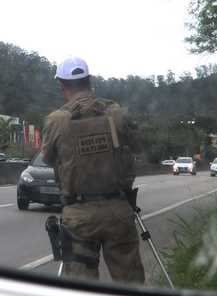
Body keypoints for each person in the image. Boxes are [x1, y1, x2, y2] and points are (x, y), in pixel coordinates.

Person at [41, 55, 146, 283]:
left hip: (79, 216)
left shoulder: (57, 120)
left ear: (61, 85)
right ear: (90, 79)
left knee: (81, 290)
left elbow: (48, 158)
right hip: (118, 209)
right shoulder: (117, 113)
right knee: (131, 283)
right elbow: (139, 145)